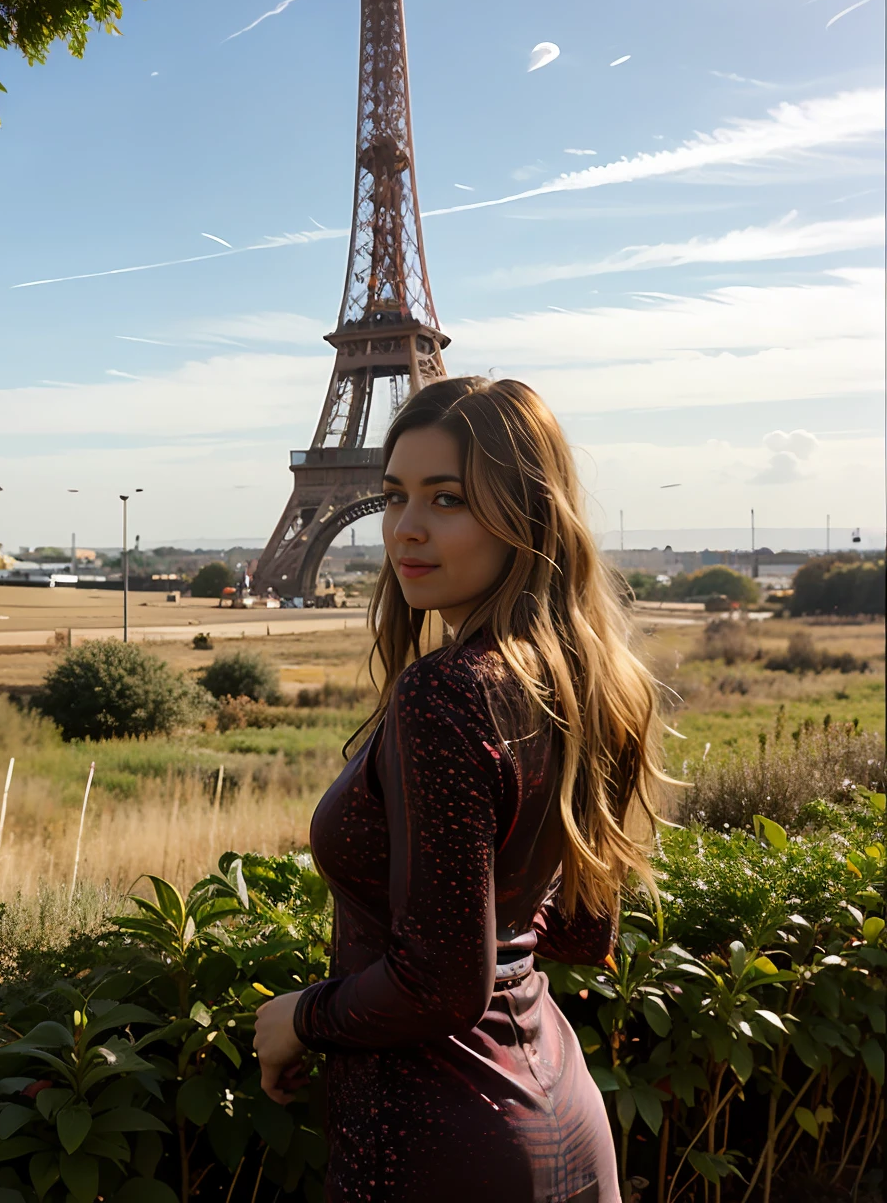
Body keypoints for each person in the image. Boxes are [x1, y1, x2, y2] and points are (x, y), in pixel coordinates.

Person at [254, 376, 663, 1203]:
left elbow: (441, 982)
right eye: (396, 495)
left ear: (528, 516)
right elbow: (586, 933)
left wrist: (300, 1016)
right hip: (566, 1123)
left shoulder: (446, 691)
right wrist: (490, 924)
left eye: (448, 499)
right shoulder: (593, 682)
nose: (406, 529)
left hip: (436, 1140)